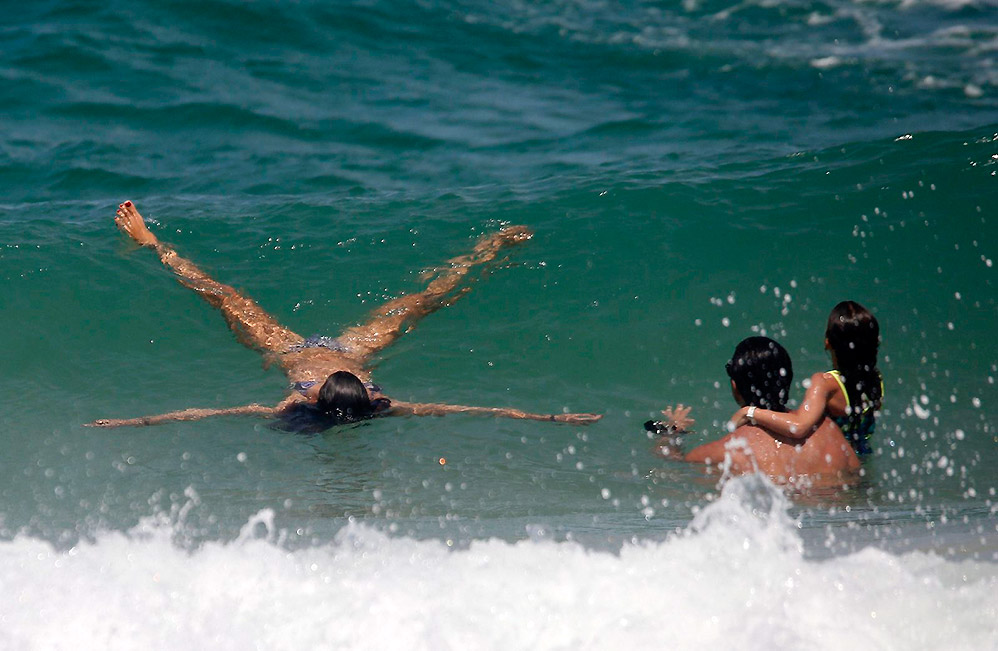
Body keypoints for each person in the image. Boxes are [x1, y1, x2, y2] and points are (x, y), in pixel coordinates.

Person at [87, 201, 601, 430]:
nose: (378, 392)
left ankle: (153, 245)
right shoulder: (381, 405)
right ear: (371, 394)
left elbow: (204, 413)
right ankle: (489, 250)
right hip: (357, 347)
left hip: (285, 347)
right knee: (423, 301)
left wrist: (135, 421)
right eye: (374, 391)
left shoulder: (293, 403)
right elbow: (467, 408)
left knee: (219, 294)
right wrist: (546, 417)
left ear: (311, 394)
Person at [651, 337, 860, 485]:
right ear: (787, 381)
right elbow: (858, 479)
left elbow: (672, 471)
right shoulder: (830, 434)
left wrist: (671, 434)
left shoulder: (728, 451)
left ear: (735, 386)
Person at [728, 301, 883, 454]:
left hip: (833, 464)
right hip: (862, 459)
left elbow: (798, 427)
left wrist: (750, 412)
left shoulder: (826, 384)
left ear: (827, 342)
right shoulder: (875, 381)